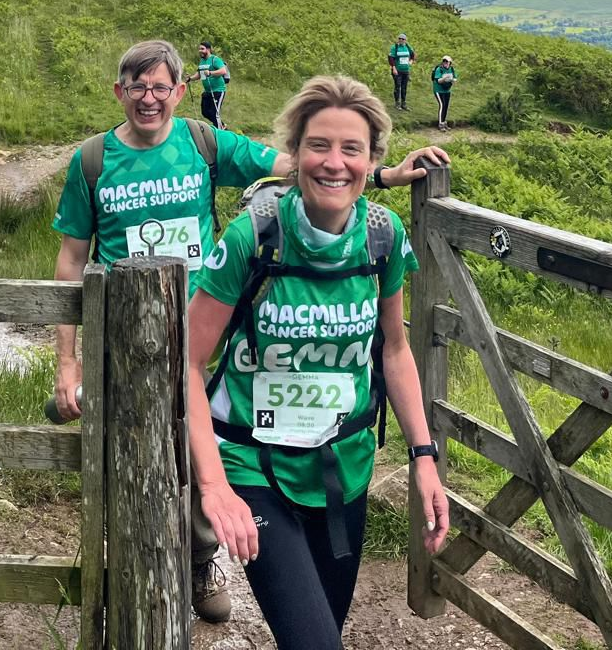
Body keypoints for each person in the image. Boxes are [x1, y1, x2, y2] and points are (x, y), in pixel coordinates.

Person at [51, 41, 447, 623]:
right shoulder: (92, 162)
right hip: (130, 339)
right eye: (137, 87)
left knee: (194, 446)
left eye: (161, 87)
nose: (149, 98)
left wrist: (383, 175)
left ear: (180, 93)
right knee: (137, 460)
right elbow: (70, 259)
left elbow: (288, 165)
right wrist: (70, 360)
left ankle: (196, 557)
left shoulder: (202, 144)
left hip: (213, 328)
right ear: (120, 93)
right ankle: (140, 573)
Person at [186, 76, 450, 649]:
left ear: (372, 158)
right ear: (295, 154)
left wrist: (425, 457)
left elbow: (396, 349)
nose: (334, 163)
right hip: (255, 467)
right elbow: (188, 363)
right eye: (319, 146)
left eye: (351, 149)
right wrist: (214, 487)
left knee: (321, 632)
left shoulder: (383, 238)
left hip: (343, 469)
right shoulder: (252, 237)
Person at [191, 41, 230, 129]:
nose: (200, 51)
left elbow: (223, 71)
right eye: (199, 49)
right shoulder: (202, 61)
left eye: (202, 49)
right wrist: (190, 78)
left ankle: (221, 134)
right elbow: (199, 74)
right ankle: (222, 126)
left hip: (218, 90)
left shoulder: (214, 59)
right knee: (205, 112)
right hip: (207, 91)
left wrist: (210, 73)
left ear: (208, 49)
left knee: (214, 113)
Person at [388, 33, 415, 110]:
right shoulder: (395, 47)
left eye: (403, 39)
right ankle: (397, 103)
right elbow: (391, 58)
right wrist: (394, 68)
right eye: (400, 38)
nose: (401, 40)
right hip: (397, 70)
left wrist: (411, 61)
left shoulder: (408, 47)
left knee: (404, 87)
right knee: (397, 86)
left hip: (406, 70)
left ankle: (404, 103)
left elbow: (412, 55)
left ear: (405, 40)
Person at [432, 55, 458, 131]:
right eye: (444, 61)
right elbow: (438, 80)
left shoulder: (451, 69)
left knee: (446, 106)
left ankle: (444, 122)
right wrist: (444, 78)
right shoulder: (439, 69)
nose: (445, 63)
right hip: (438, 90)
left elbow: (455, 77)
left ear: (450, 63)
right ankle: (440, 124)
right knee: (442, 105)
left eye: (447, 61)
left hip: (447, 90)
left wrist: (453, 80)